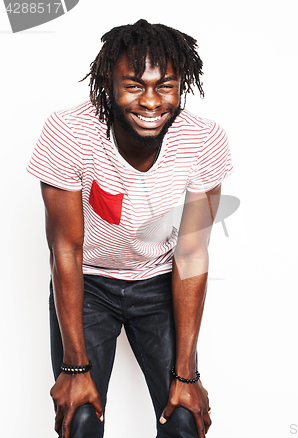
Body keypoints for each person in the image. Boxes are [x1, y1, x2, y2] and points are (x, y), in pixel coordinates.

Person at [27, 19, 233, 438]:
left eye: (166, 85)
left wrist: (187, 374)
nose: (152, 101)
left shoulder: (203, 140)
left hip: (158, 284)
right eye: (135, 85)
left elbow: (191, 253)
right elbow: (66, 249)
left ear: (182, 87)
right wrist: (73, 367)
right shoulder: (68, 132)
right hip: (89, 285)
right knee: (79, 417)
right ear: (108, 84)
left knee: (184, 419)